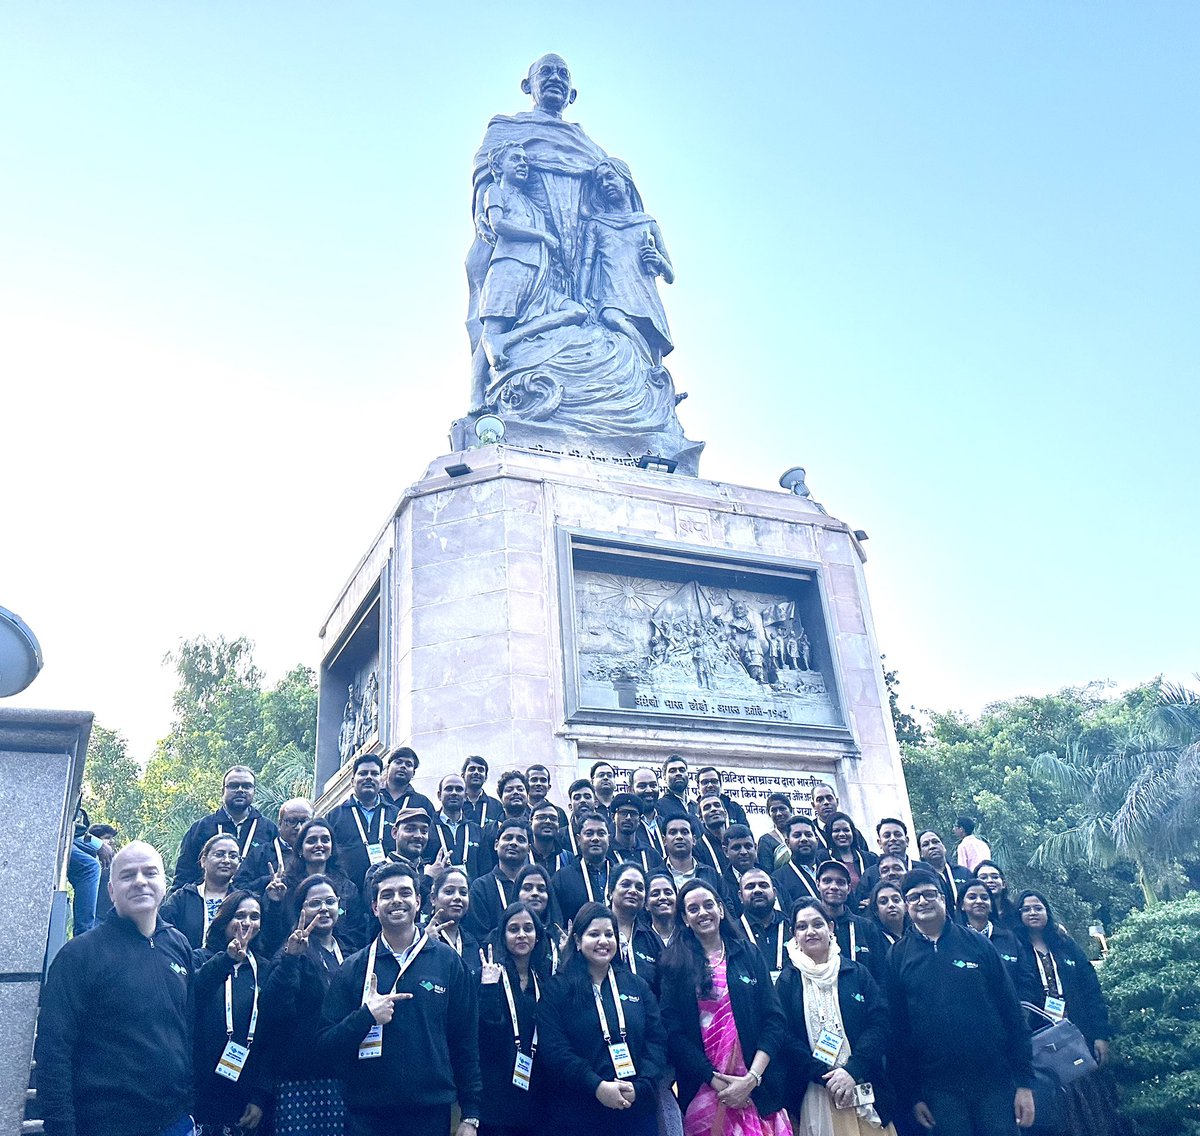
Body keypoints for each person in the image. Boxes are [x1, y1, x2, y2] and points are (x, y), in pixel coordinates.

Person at [36, 842, 194, 1136]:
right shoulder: (79, 956)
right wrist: (61, 1128)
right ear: (110, 890)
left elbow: (187, 1027)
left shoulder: (177, 944)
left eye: (150, 873)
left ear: (164, 884)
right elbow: (53, 1051)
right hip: (105, 1124)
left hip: (175, 1121)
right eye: (127, 875)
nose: (140, 881)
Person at [318, 861, 482, 1136]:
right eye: (387, 895)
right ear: (373, 907)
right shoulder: (354, 968)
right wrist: (365, 1017)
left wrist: (471, 1114)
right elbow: (325, 1047)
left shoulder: (448, 962)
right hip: (367, 1116)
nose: (397, 900)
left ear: (418, 902)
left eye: (405, 893)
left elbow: (465, 1040)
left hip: (430, 1114)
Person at [886, 870, 1035, 1136]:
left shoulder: (977, 944)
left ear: (943, 899)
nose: (923, 901)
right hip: (939, 1089)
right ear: (907, 906)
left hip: (994, 1081)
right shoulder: (898, 955)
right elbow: (898, 1031)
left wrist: (1024, 1083)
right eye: (914, 897)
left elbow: (1010, 1011)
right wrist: (913, 1095)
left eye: (929, 894)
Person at [659, 880, 790, 1136]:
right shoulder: (675, 964)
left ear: (720, 909)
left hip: (757, 1088)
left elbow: (774, 1019)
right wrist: (715, 1081)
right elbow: (673, 1033)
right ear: (685, 919)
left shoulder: (748, 954)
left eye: (709, 905)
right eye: (693, 909)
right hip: (704, 1090)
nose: (703, 913)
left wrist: (751, 1079)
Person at [538, 901, 667, 1136]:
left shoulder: (636, 985)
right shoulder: (557, 989)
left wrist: (642, 1086)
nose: (603, 941)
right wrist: (596, 1086)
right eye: (594, 934)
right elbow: (554, 1049)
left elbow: (656, 1039)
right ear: (577, 941)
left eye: (609, 934)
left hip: (635, 1107)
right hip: (579, 1111)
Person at [1012, 890, 1131, 1136]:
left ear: (1047, 912)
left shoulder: (1065, 945)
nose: (1033, 913)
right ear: (1019, 914)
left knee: (1090, 1102)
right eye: (1026, 909)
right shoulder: (1015, 948)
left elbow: (1091, 991)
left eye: (1038, 908)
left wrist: (1100, 1035)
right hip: (1039, 1040)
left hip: (1077, 1034)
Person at [776, 898, 897, 1136]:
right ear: (794, 934)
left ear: (830, 928)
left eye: (817, 924)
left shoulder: (856, 972)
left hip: (863, 1082)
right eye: (802, 927)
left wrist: (851, 1071)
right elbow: (784, 1035)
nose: (810, 931)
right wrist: (826, 1076)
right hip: (815, 1090)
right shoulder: (787, 982)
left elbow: (879, 1024)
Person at [261, 874, 349, 1136]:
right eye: (315, 903)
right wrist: (290, 959)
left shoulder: (349, 950)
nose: (323, 908)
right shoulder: (292, 951)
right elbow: (275, 1009)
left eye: (330, 901)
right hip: (300, 1078)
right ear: (301, 910)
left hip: (344, 1075)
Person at [580, 156, 675, 366]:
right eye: (599, 181)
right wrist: (582, 295)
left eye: (610, 177)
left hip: (644, 294)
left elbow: (670, 275)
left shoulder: (646, 223)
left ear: (626, 181)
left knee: (654, 348)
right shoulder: (597, 224)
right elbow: (587, 263)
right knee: (613, 319)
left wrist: (658, 260)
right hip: (612, 294)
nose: (605, 184)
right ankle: (651, 375)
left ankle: (654, 381)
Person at [192, 891, 271, 1135]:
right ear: (224, 920)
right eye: (240, 915)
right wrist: (226, 960)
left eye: (254, 916)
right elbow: (193, 996)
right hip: (200, 1088)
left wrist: (260, 1096)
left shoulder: (265, 968)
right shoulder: (199, 958)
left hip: (246, 1093)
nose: (247, 922)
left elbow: (272, 1035)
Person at [478, 903, 550, 1135]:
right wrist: (488, 989)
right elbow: (485, 1040)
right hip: (496, 1097)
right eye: (513, 929)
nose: (521, 934)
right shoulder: (491, 976)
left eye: (528, 928)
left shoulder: (543, 980)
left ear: (537, 936)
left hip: (537, 1097)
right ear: (503, 935)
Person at [261, 818, 366, 955]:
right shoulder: (283, 886)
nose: (319, 845)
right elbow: (271, 936)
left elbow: (356, 930)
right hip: (295, 958)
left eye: (325, 840)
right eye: (311, 841)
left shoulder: (347, 887)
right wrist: (275, 903)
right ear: (300, 849)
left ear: (332, 848)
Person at [174, 766, 280, 891]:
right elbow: (184, 874)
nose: (240, 790)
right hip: (207, 902)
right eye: (234, 786)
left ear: (254, 791)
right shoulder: (201, 828)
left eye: (247, 786)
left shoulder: (269, 829)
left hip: (254, 904)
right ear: (222, 791)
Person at [322, 754, 398, 892]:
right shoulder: (335, 816)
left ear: (381, 780)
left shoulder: (395, 814)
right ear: (352, 781)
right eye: (363, 773)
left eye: (374, 773)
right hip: (348, 893)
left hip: (389, 890)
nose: (368, 777)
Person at [161, 832, 242, 948]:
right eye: (219, 854)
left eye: (233, 856)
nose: (226, 860)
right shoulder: (182, 899)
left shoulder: (241, 901)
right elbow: (163, 935)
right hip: (186, 963)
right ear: (203, 860)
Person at [815, 859, 889, 984]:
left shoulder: (866, 927)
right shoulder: (810, 929)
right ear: (818, 885)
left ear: (848, 888)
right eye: (827, 881)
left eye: (841, 882)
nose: (834, 887)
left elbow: (881, 974)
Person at [465, 818, 531, 938]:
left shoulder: (535, 887)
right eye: (508, 838)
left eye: (520, 839)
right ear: (496, 845)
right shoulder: (480, 887)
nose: (513, 843)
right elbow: (479, 935)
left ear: (529, 850)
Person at [553, 813, 619, 925]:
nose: (595, 838)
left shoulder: (620, 876)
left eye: (601, 833)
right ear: (578, 839)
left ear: (609, 839)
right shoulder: (562, 878)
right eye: (589, 834)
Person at [236, 799, 313, 892]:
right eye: (292, 821)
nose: (299, 827)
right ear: (280, 824)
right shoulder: (261, 854)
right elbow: (238, 886)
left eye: (305, 821)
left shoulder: (320, 851)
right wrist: (267, 881)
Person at [427, 774, 492, 880]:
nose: (454, 793)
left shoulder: (477, 831)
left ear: (466, 796)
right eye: (448, 789)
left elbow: (485, 871)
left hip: (469, 894)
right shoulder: (428, 829)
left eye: (459, 789)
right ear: (439, 795)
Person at [608, 861, 660, 988]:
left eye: (639, 888)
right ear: (610, 892)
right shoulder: (594, 931)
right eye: (625, 884)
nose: (633, 891)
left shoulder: (652, 940)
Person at [514, 862, 568, 974]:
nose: (535, 893)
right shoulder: (502, 935)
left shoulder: (561, 938)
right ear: (517, 894)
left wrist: (568, 955)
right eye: (527, 888)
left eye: (541, 889)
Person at [737, 868, 789, 982]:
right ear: (740, 896)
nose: (757, 890)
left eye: (763, 885)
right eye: (750, 886)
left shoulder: (792, 928)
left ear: (775, 893)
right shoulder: (733, 933)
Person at [424, 865, 482, 967]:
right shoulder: (418, 935)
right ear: (433, 898)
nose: (457, 897)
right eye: (449, 892)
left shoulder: (472, 943)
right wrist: (423, 943)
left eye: (463, 893)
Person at [663, 815, 727, 900]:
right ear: (664, 840)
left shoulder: (712, 875)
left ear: (694, 840)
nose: (679, 837)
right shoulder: (655, 876)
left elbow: (726, 906)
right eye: (673, 832)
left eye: (685, 832)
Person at [853, 818, 913, 901]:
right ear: (879, 843)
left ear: (907, 841)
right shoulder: (869, 875)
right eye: (887, 836)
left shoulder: (924, 869)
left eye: (897, 834)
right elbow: (861, 904)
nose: (893, 839)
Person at [771, 815, 823, 909]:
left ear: (817, 840)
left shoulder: (830, 870)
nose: (804, 839)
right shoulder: (777, 879)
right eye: (797, 835)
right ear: (787, 843)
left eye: (808, 834)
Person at [917, 829, 973, 913]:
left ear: (944, 847)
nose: (932, 846)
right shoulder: (920, 878)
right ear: (921, 853)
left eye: (935, 842)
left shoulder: (963, 873)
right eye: (925, 844)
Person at [824, 812, 878, 891]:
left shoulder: (870, 858)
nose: (842, 834)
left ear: (853, 833)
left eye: (846, 830)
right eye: (836, 831)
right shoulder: (822, 858)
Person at [610, 792, 663, 871]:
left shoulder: (651, 854)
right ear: (613, 817)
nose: (628, 818)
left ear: (640, 820)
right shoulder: (606, 853)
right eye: (623, 813)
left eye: (633, 814)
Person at [380, 746, 436, 815]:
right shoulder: (375, 795)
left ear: (413, 773)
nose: (403, 766)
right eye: (398, 762)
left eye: (408, 764)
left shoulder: (423, 803)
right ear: (388, 768)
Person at [528, 799, 573, 873]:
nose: (548, 821)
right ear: (530, 824)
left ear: (558, 825)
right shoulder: (523, 855)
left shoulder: (568, 858)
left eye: (553, 819)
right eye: (541, 817)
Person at [630, 767, 667, 856]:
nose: (649, 790)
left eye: (653, 785)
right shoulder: (626, 827)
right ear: (630, 790)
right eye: (642, 786)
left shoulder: (666, 824)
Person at [974, 861, 1020, 930]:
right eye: (983, 878)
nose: (990, 881)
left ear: (1004, 884)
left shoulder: (1016, 912)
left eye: (995, 877)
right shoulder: (970, 914)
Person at [462, 754, 504, 827]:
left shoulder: (496, 805)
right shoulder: (456, 803)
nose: (476, 772)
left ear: (486, 777)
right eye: (472, 769)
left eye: (480, 770)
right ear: (463, 775)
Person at [757, 793, 794, 872]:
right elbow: (766, 872)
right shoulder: (765, 841)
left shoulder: (802, 835)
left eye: (782, 809)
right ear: (769, 814)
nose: (779, 814)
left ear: (791, 810)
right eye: (774, 810)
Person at [646, 869, 681, 952]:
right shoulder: (641, 938)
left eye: (668, 893)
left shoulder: (689, 936)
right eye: (655, 894)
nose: (662, 897)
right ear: (646, 905)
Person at [868, 881, 907, 945]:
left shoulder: (915, 933)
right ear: (875, 911)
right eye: (883, 902)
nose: (891, 905)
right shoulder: (871, 938)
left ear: (906, 906)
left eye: (896, 900)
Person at [657, 755, 692, 823]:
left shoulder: (695, 806)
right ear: (664, 778)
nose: (678, 773)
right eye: (672, 771)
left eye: (682, 770)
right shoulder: (659, 806)